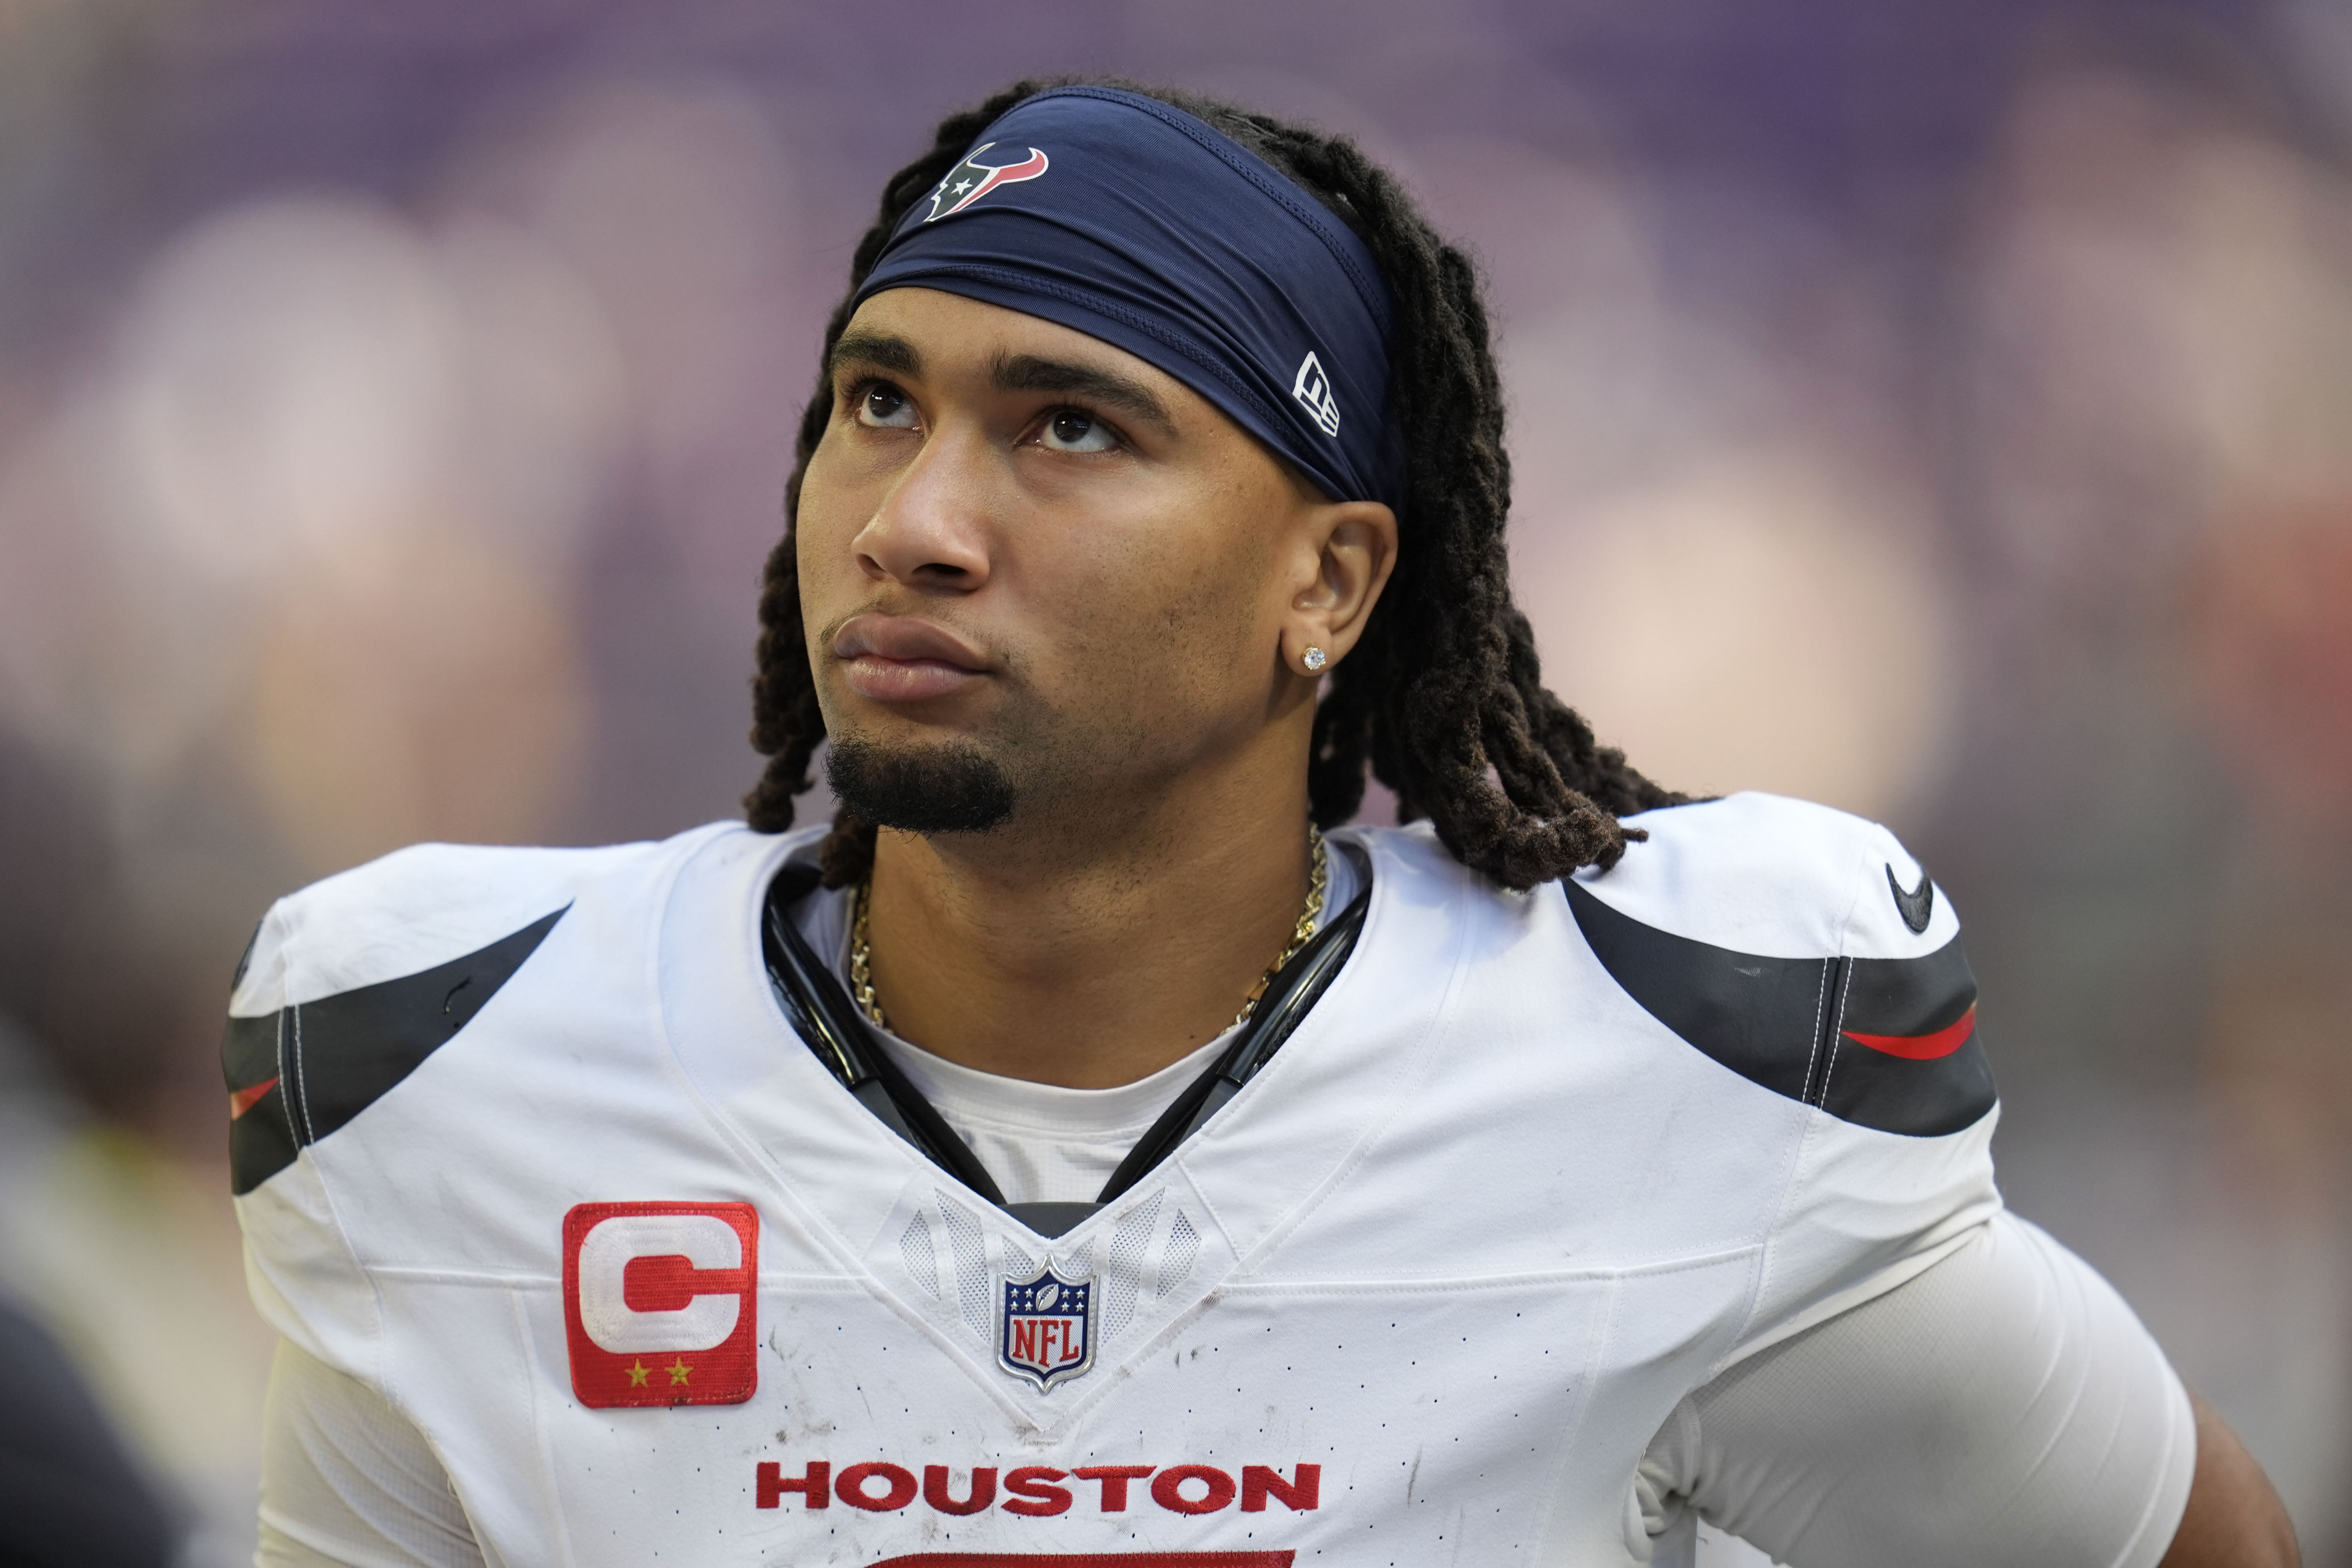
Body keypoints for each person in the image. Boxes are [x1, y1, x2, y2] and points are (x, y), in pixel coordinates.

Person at [229, 79, 2300, 1567]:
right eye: (880, 401)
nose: (917, 521)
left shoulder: (1680, 1072)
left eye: (1068, 426)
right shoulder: (455, 1062)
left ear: (1325, 586)